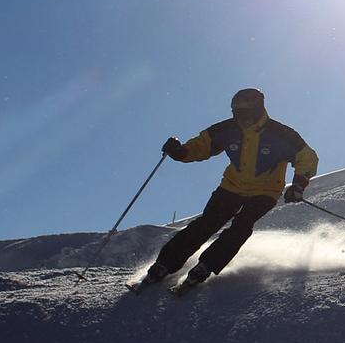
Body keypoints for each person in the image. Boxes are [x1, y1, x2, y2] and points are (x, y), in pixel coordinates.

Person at [132, 88, 318, 292]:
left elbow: (306, 157)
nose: (242, 119)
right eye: (237, 114)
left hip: (265, 191)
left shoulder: (281, 134)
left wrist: (299, 184)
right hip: (232, 186)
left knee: (242, 225)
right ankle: (165, 264)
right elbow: (202, 146)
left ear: (258, 110)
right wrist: (180, 152)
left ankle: (206, 265)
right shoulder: (228, 129)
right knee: (207, 222)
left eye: (246, 114)